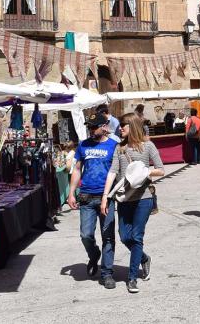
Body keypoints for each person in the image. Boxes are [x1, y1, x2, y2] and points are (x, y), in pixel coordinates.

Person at [100, 114, 164, 293]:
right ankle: (144, 258)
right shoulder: (119, 148)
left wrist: (144, 172)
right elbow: (113, 172)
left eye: (123, 125)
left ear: (133, 126)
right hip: (124, 199)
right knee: (124, 236)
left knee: (136, 236)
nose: (120, 128)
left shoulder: (148, 146)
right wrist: (106, 196)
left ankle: (132, 278)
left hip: (143, 199)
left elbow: (161, 169)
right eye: (120, 125)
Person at [67, 113, 120, 289]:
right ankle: (94, 253)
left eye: (94, 127)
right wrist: (71, 192)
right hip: (87, 197)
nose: (91, 130)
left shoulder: (114, 146)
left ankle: (107, 273)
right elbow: (76, 169)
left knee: (108, 236)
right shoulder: (83, 145)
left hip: (107, 198)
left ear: (104, 126)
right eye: (89, 127)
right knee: (86, 235)